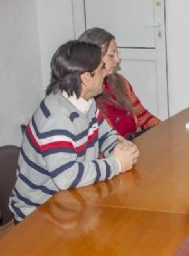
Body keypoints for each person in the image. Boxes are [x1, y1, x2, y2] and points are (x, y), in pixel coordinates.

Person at [9, 40, 140, 221]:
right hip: (38, 214)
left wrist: (121, 150)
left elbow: (105, 134)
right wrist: (117, 164)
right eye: (101, 68)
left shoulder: (86, 102)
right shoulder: (56, 117)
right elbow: (65, 177)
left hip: (71, 201)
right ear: (86, 77)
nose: (105, 73)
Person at [78, 27, 161, 139]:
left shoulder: (120, 81)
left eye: (117, 54)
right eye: (111, 55)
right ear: (93, 57)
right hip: (113, 154)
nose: (117, 60)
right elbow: (97, 144)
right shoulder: (84, 93)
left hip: (133, 145)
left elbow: (143, 116)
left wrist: (164, 129)